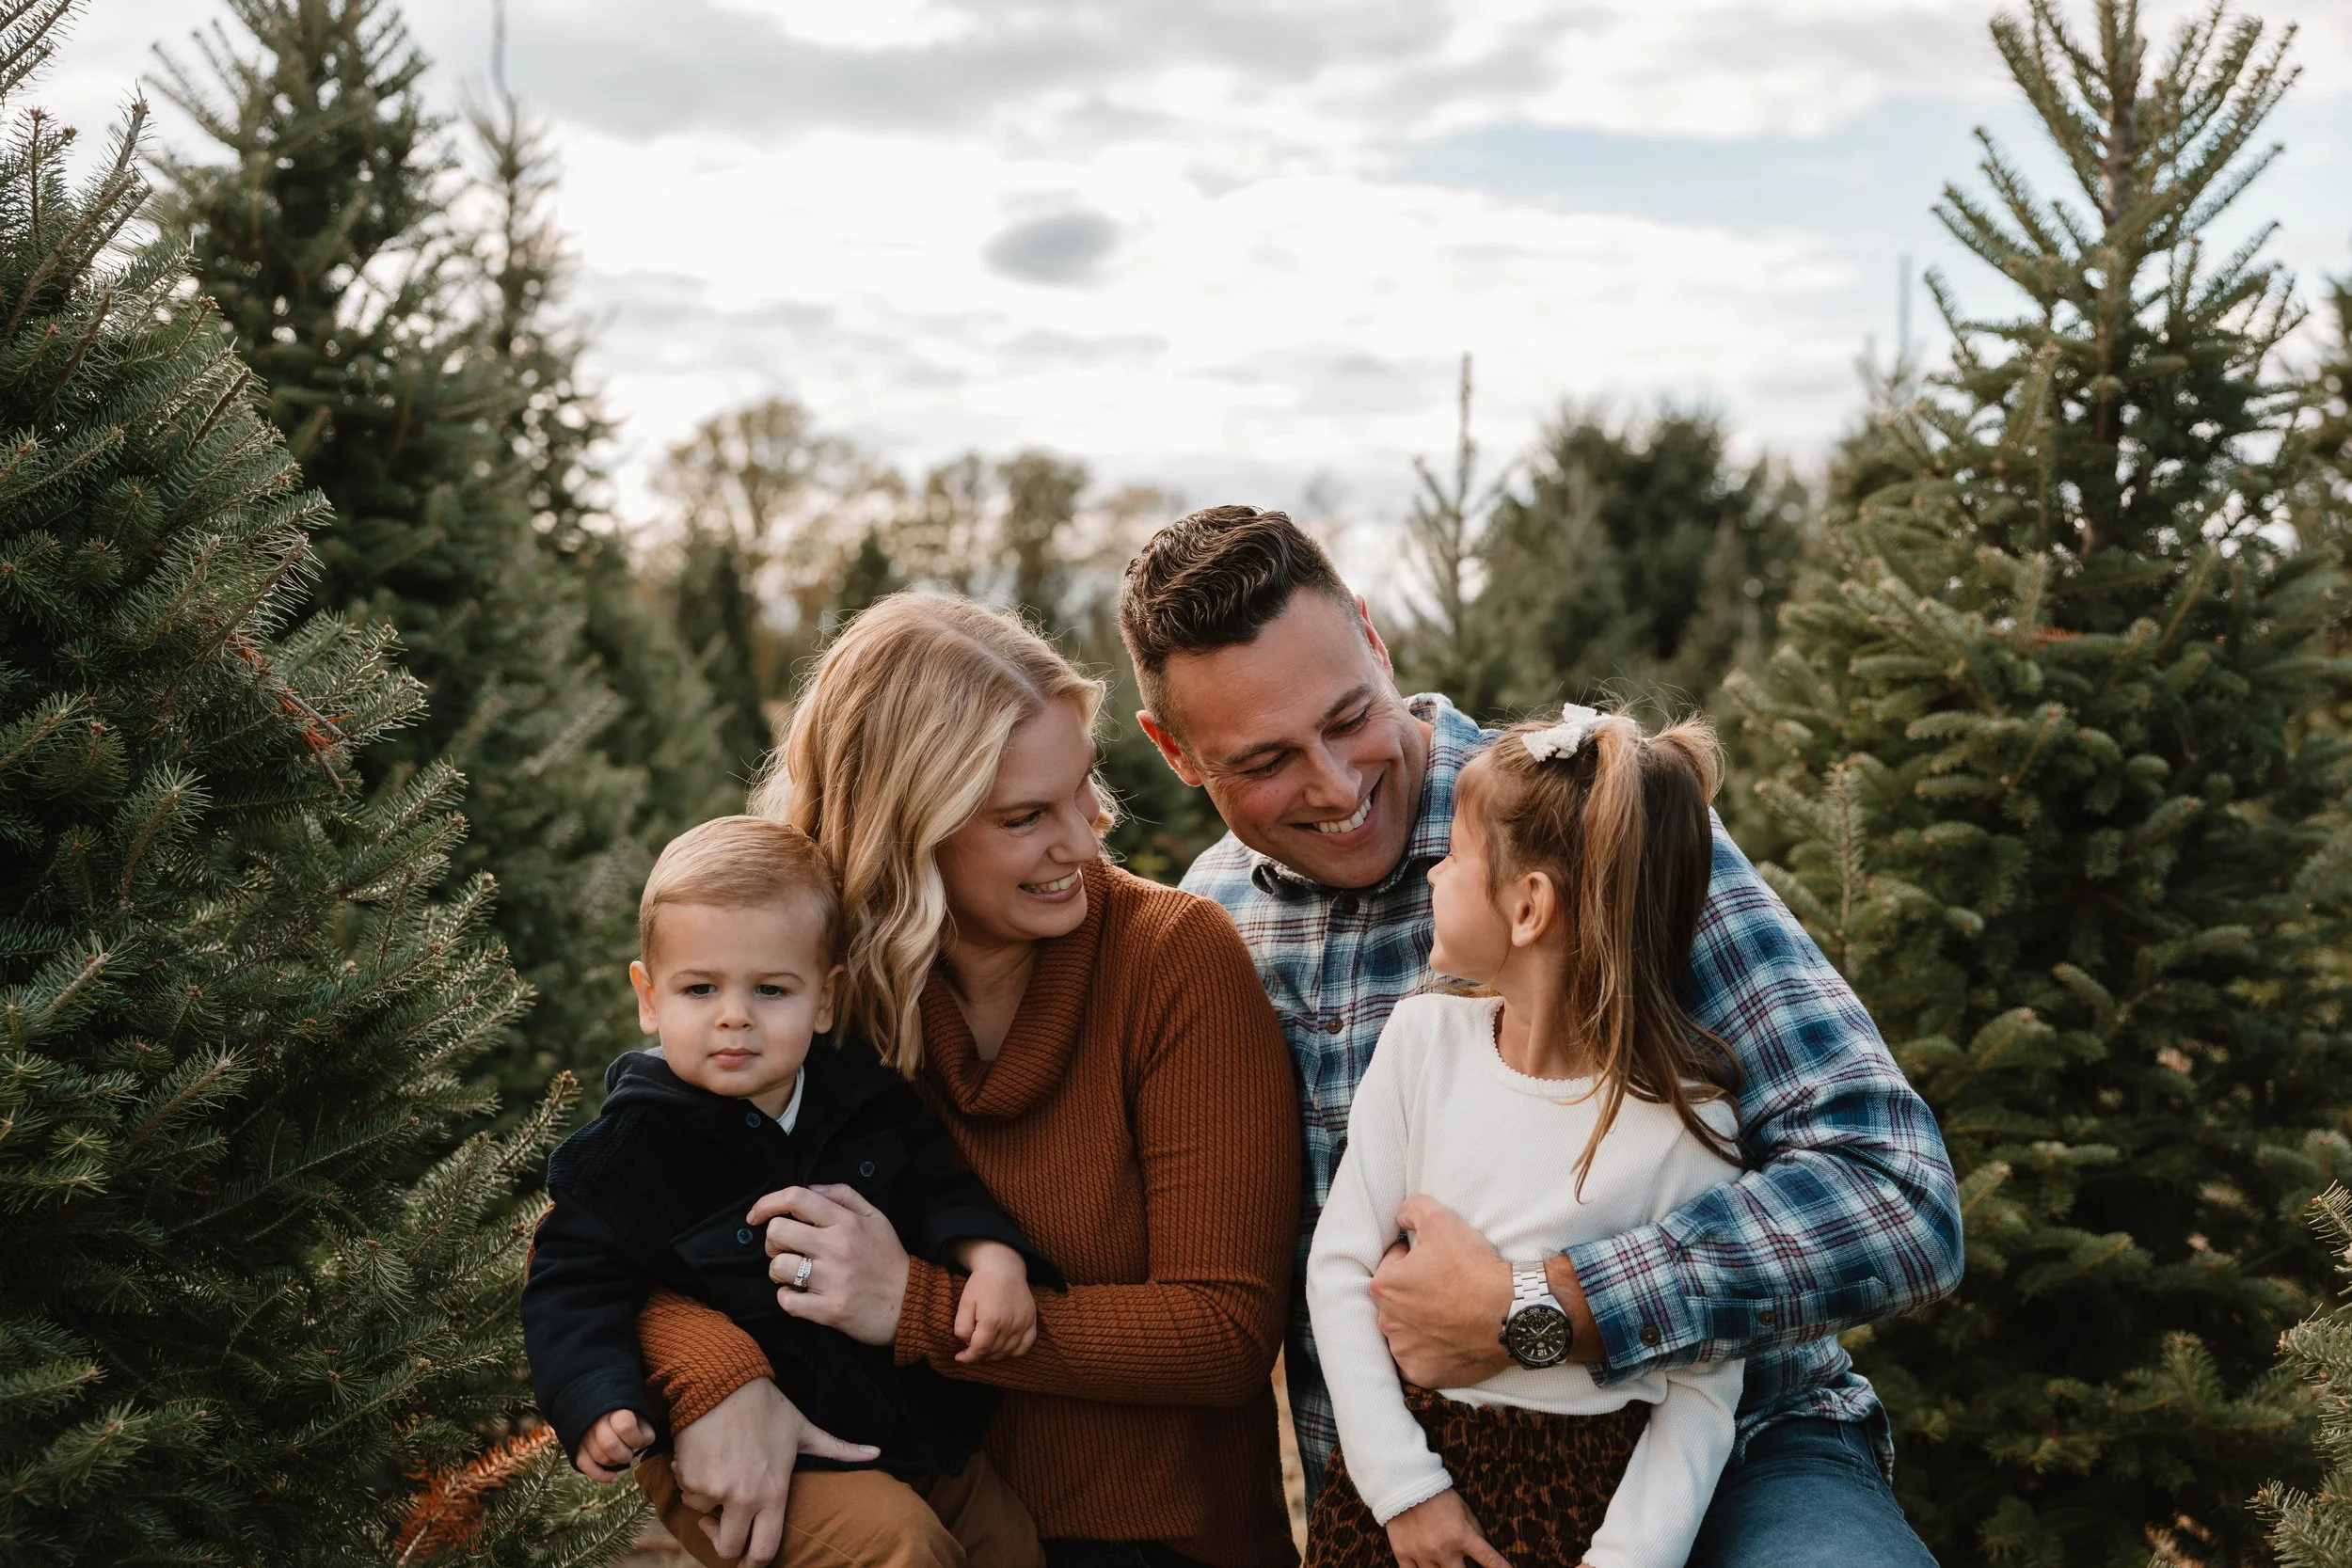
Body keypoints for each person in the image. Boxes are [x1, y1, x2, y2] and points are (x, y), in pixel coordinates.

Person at [1119, 506, 1963, 1568]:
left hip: (1730, 1452)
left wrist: (1552, 1306)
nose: (1335, 786)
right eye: (1266, 760)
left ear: (1374, 640)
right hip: (1422, 1503)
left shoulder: (1593, 829)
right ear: (1174, 751)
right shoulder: (1211, 928)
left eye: (1348, 718)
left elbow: (1894, 1192)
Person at [625, 594, 1303, 1568]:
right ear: (909, 832)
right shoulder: (803, 985)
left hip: (1150, 1542)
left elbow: (1223, 1329)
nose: (1084, 838)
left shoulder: (1169, 959)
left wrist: (916, 1304)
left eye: (1082, 788)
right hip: (903, 1529)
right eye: (1026, 816)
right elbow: (607, 1220)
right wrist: (716, 1379)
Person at [523, 816, 1056, 1568]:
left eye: (771, 989)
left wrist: (993, 1256)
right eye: (700, 987)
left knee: (1007, 1543)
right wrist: (597, 1399)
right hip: (785, 1464)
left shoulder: (864, 1098)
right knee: (901, 1551)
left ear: (827, 999)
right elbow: (569, 1287)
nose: (733, 1014)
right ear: (648, 996)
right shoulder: (626, 1155)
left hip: (913, 1429)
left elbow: (940, 1184)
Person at [1307, 706, 1745, 1568]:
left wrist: (1625, 1560)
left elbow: (1702, 1392)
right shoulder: (1419, 1045)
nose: (1433, 873)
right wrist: (1405, 1488)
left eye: (1458, 857)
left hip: (1586, 1507)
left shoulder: (1686, 1126)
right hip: (1409, 1492)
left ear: (1529, 905)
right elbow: (1341, 1267)